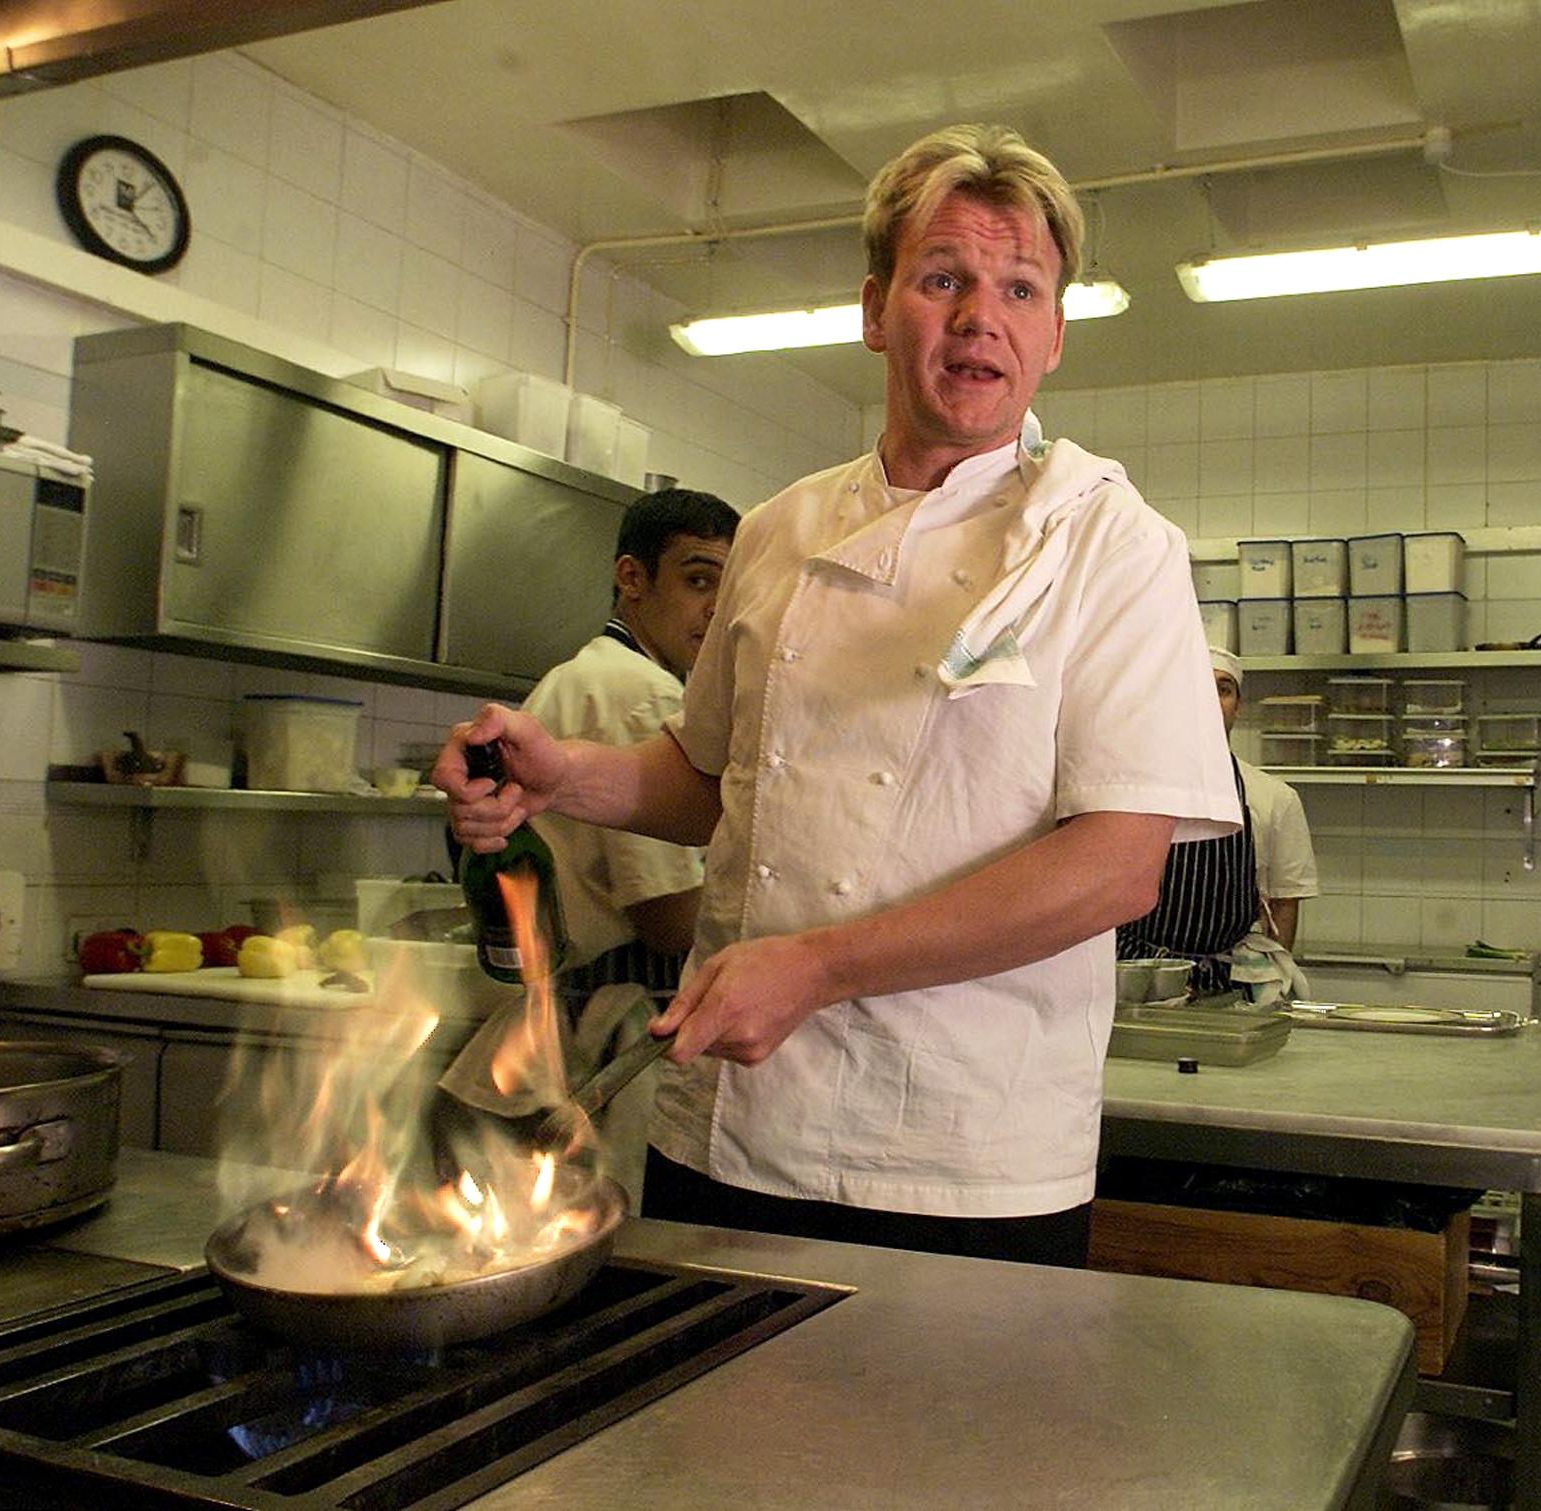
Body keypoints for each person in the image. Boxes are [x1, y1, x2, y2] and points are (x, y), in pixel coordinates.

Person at [434, 122, 1239, 1267]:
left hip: (963, 1152)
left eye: (1019, 287)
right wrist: (566, 776)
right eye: (943, 278)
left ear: (1053, 333)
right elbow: (717, 781)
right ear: (875, 310)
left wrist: (815, 966)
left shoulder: (1108, 543)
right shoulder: (776, 529)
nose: (979, 316)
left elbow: (1115, 863)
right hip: (727, 1122)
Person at [435, 487, 738, 1207]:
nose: (715, 613)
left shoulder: (583, 673)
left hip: (563, 1015)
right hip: (611, 1028)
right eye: (698, 581)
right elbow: (665, 916)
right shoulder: (636, 692)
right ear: (631, 578)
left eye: (728, 591)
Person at [1117, 645, 1318, 998]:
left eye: (1224, 689)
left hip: (1233, 981)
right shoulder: (1133, 789)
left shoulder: (1274, 798)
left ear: (1237, 705)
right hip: (1138, 974)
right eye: (1198, 687)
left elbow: (1286, 903)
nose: (1211, 700)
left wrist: (1275, 989)